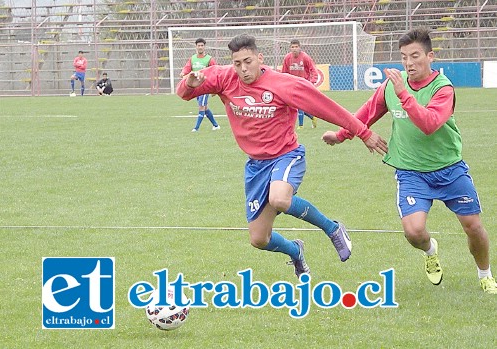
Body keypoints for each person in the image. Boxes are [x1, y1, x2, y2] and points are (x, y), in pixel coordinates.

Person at [177, 34, 388, 278]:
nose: (243, 69)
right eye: (238, 64)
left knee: (279, 198)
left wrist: (363, 132)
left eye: (248, 61)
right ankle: (295, 251)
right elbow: (184, 93)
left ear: (260, 58)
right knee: (259, 239)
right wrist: (190, 83)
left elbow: (328, 108)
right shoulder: (223, 76)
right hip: (256, 166)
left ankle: (332, 229)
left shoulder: (283, 84)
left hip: (286, 155)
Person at [322, 27, 497, 294]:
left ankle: (485, 274)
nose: (409, 62)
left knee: (473, 227)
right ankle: (431, 251)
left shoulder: (443, 89)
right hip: (411, 172)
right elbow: (367, 112)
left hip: (449, 169)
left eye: (415, 56)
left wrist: (404, 93)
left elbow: (429, 124)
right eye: (404, 57)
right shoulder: (391, 86)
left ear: (430, 56)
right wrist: (341, 135)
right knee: (414, 232)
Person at [180, 38, 220, 132]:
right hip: (195, 87)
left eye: (202, 45)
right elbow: (187, 68)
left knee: (201, 107)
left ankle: (196, 128)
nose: (200, 47)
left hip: (205, 86)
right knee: (205, 107)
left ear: (204, 47)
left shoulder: (209, 59)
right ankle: (215, 125)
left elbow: (216, 71)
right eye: (199, 45)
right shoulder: (192, 58)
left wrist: (215, 88)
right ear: (196, 47)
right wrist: (183, 73)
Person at [281, 39, 318, 129]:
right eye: (292, 47)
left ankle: (301, 126)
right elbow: (284, 72)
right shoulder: (287, 58)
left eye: (296, 47)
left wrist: (312, 81)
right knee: (294, 105)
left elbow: (313, 70)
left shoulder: (305, 57)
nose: (294, 49)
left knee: (298, 104)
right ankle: (312, 117)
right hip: (291, 84)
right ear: (290, 48)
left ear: (299, 47)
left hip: (303, 84)